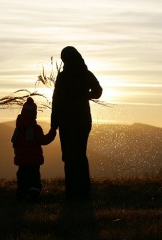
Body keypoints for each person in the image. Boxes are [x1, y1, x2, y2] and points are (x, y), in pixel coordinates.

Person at [51, 46, 103, 200]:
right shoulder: (85, 74)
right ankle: (84, 190)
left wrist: (54, 124)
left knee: (68, 155)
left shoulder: (63, 77)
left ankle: (71, 191)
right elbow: (98, 91)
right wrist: (86, 96)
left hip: (66, 121)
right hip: (83, 120)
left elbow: (56, 101)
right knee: (80, 154)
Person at [11, 97, 57, 202]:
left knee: (22, 180)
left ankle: (20, 197)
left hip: (21, 161)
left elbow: (14, 143)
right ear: (34, 113)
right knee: (34, 181)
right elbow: (44, 140)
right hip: (33, 161)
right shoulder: (35, 128)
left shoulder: (18, 129)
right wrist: (53, 132)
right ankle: (33, 198)